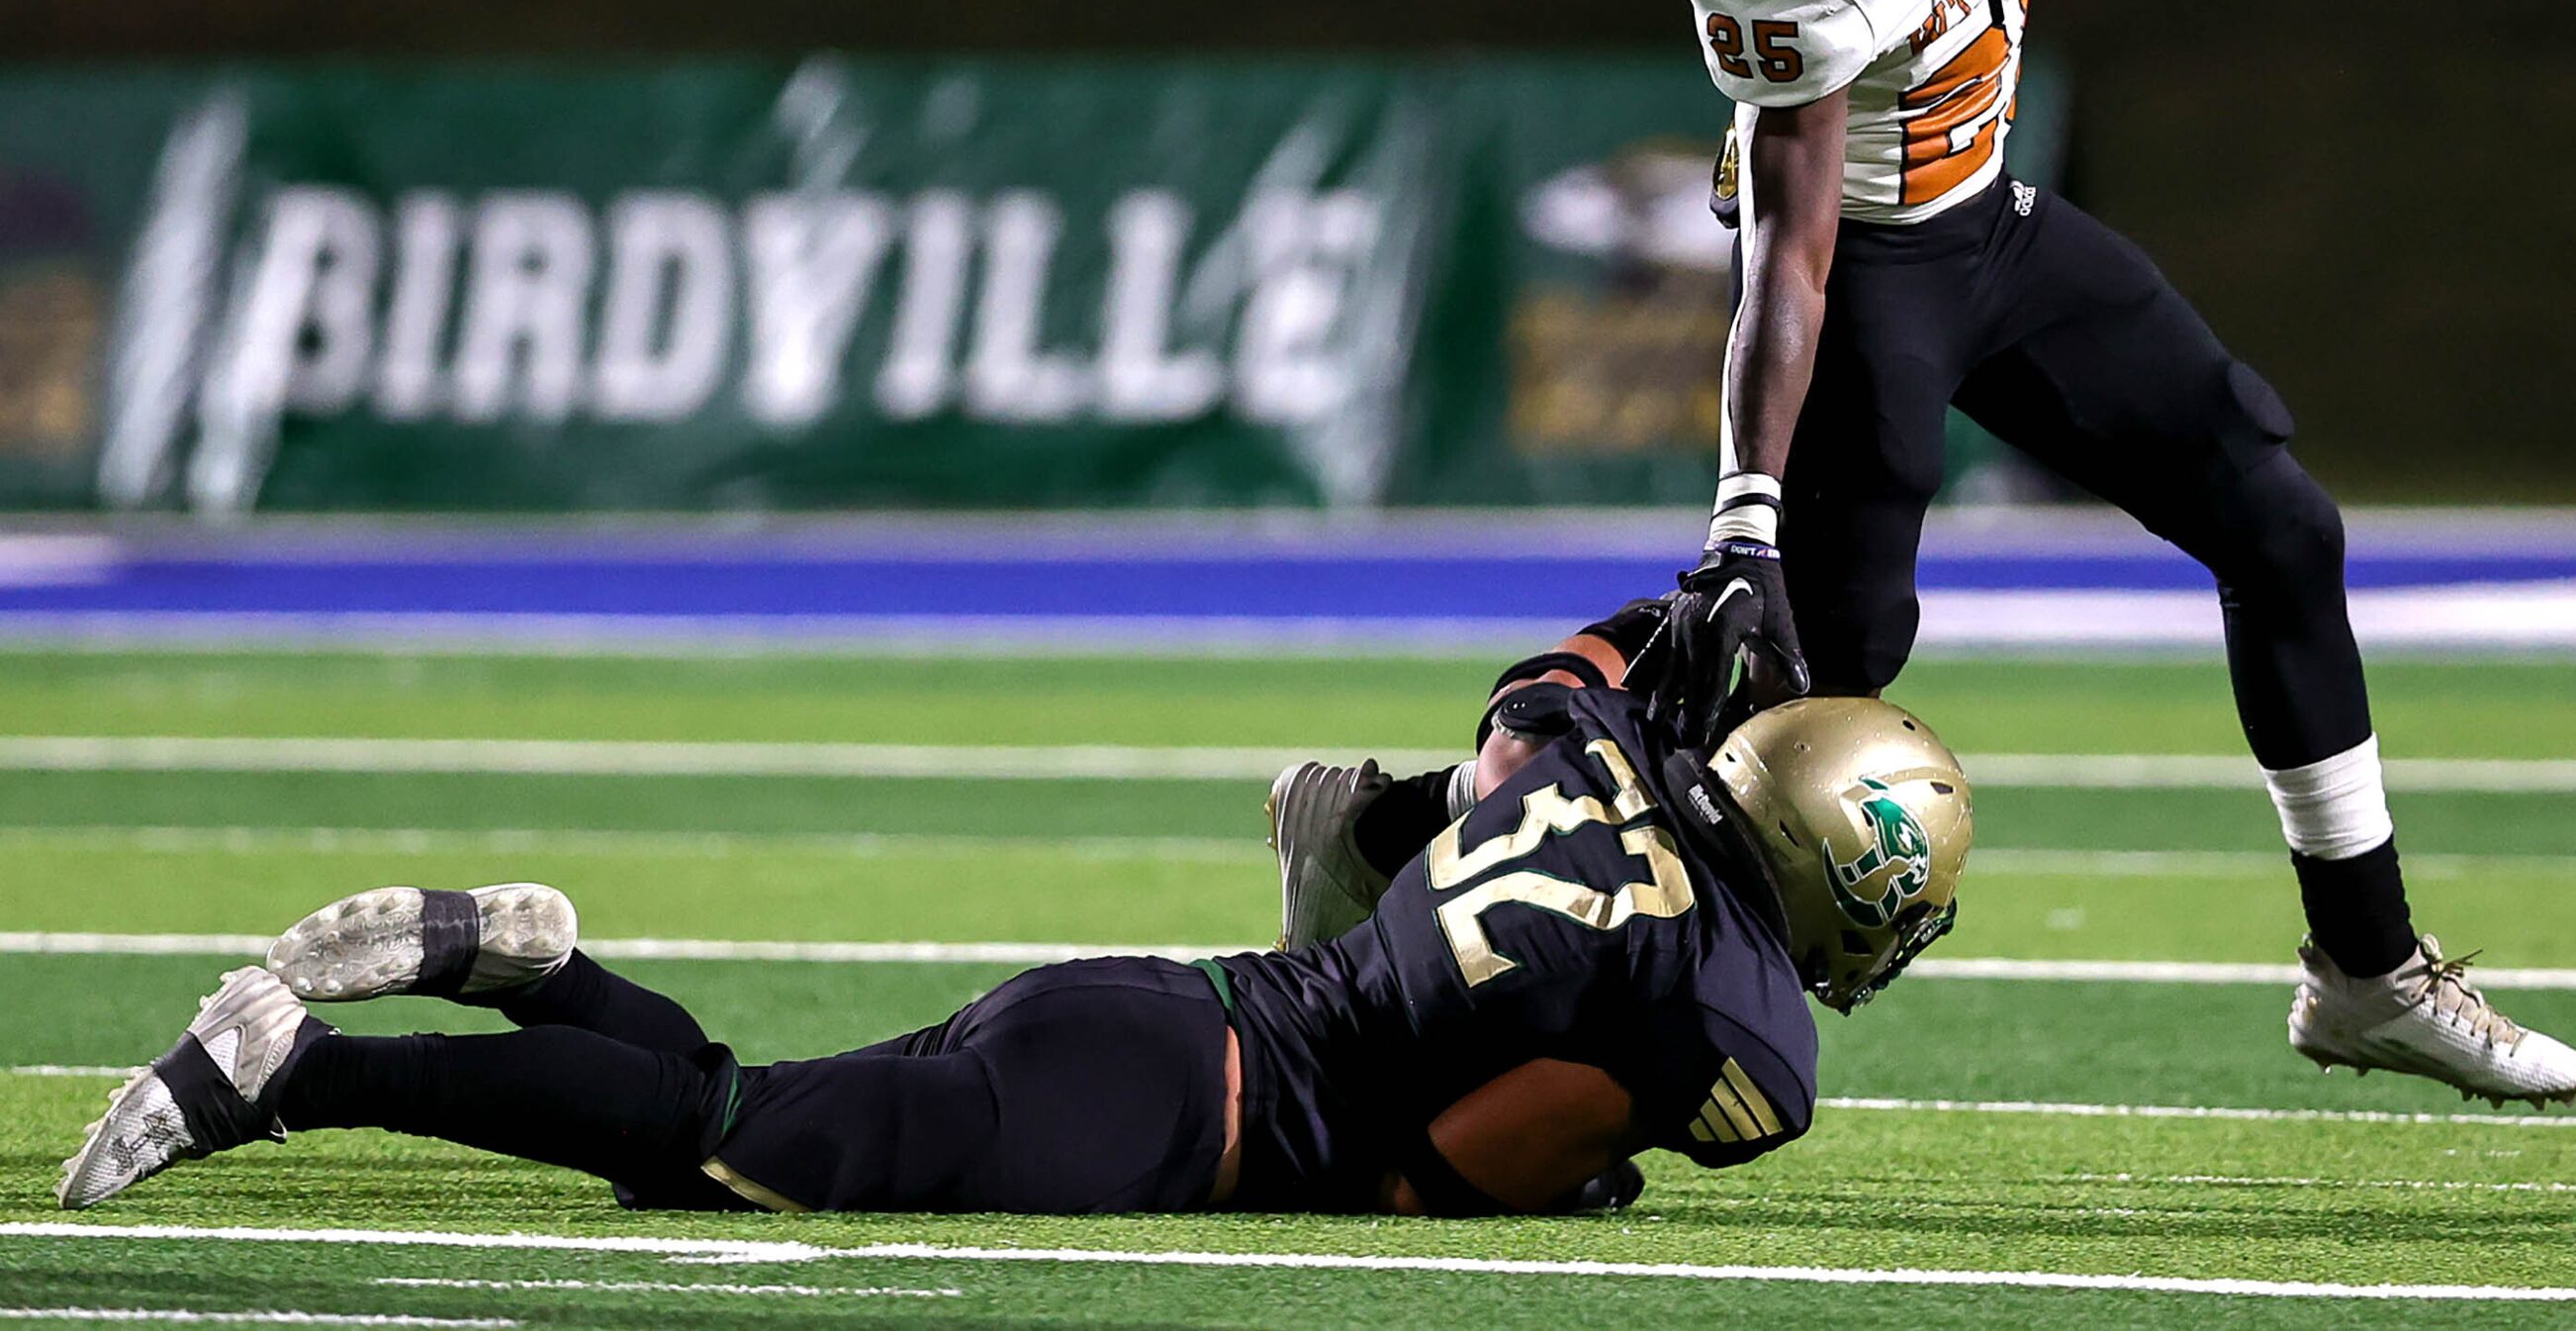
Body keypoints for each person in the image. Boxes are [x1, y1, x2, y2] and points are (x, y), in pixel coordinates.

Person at [1624, 0, 2576, 1104]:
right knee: (1806, 687)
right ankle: (1452, 877)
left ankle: (2364, 966)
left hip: (1996, 225)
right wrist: (1741, 514)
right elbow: (1789, 249)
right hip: (1869, 274)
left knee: (2275, 519)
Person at [57, 611, 1973, 1217]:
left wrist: (1675, 626)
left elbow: (1544, 688)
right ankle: (295, 1071)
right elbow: (1437, 1183)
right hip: (1175, 1114)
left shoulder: (1588, 754)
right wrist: (1595, 1172)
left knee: (735, 1113)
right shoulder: (1734, 1034)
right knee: (732, 1154)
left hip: (1158, 1008)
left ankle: (532, 960)